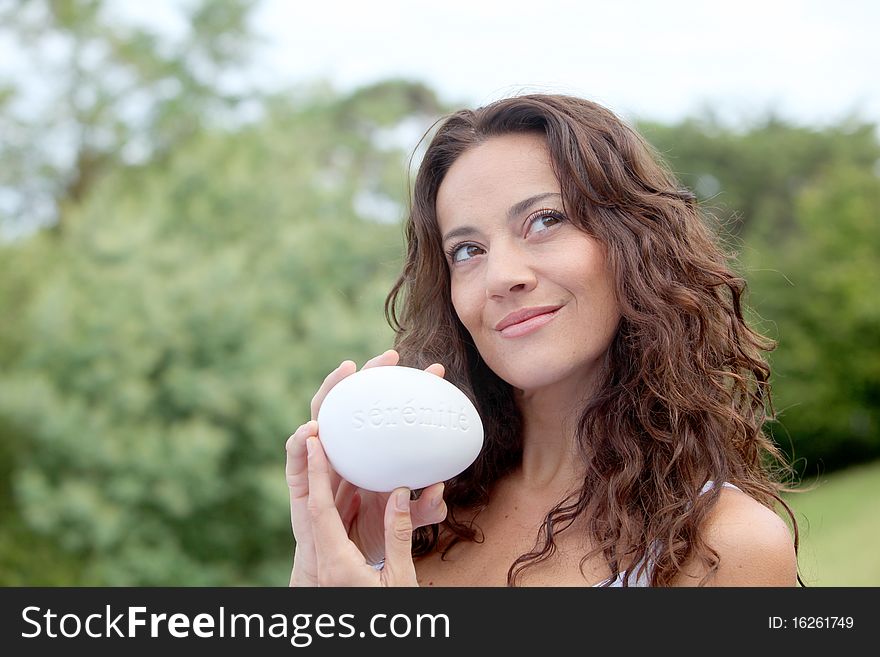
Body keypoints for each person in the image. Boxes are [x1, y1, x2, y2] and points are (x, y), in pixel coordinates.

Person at [285, 94, 801, 587]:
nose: (501, 276)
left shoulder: (722, 548)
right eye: (467, 250)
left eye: (544, 220)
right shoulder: (411, 520)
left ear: (632, 244)